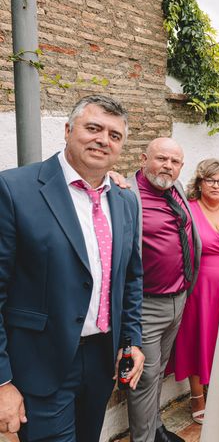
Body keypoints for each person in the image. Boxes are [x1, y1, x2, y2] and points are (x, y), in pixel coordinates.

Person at [0, 95, 144, 441]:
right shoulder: (14, 189)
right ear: (67, 130)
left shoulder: (125, 199)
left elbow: (130, 278)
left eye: (114, 135)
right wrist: (2, 381)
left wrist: (131, 340)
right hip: (40, 362)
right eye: (93, 128)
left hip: (102, 360)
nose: (103, 140)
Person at [126, 138, 202, 442]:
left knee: (158, 373)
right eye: (161, 159)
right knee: (144, 378)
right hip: (146, 304)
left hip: (178, 299)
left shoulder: (176, 187)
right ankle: (142, 438)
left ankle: (155, 428)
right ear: (144, 159)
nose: (167, 166)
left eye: (174, 161)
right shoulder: (127, 194)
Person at [168, 159, 219, 425]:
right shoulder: (189, 209)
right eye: (210, 180)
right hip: (200, 286)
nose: (216, 185)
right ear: (200, 182)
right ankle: (197, 397)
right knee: (199, 337)